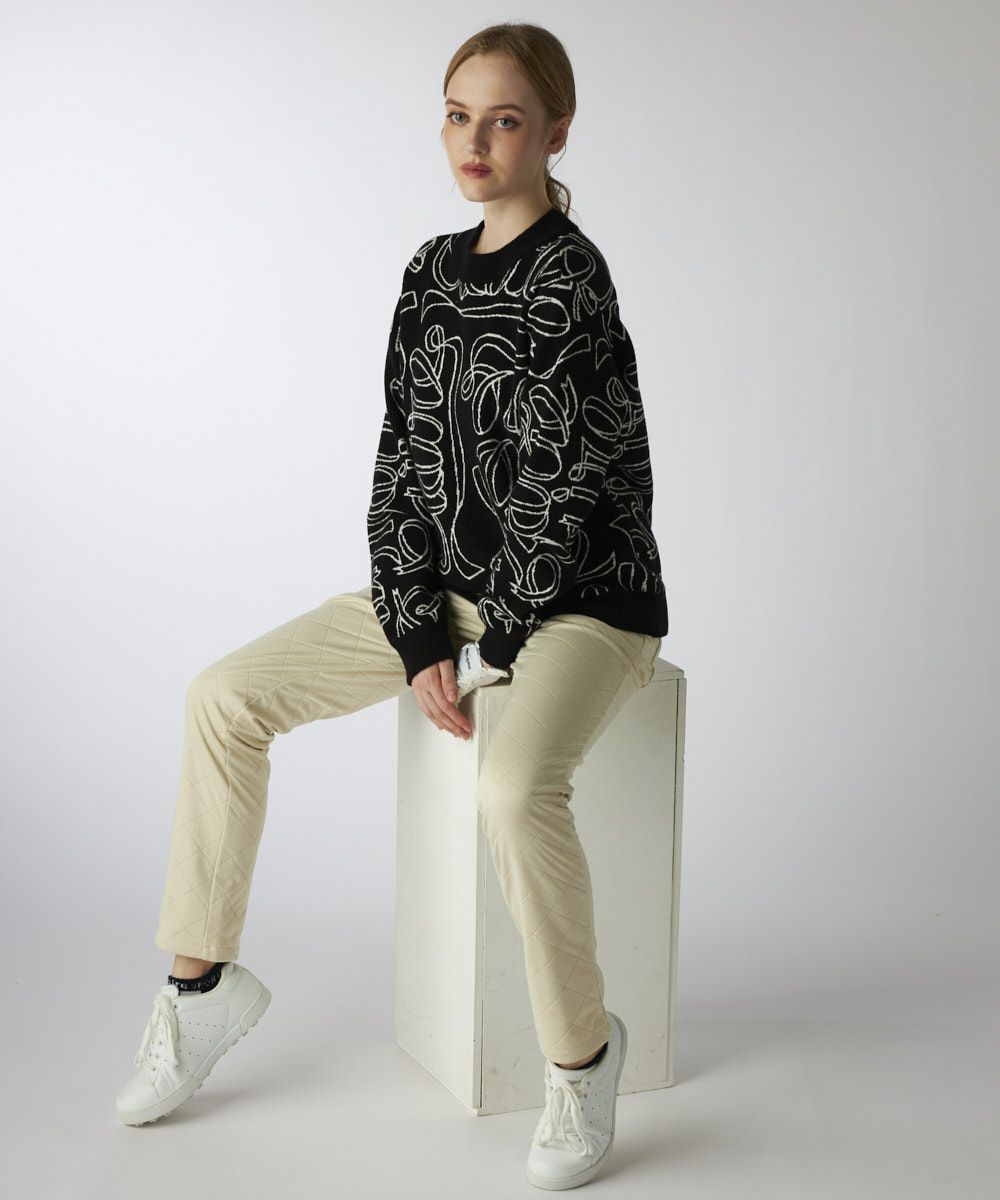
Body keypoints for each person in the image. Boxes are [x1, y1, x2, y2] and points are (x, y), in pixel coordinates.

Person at [115, 20, 669, 1193]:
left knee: (512, 789)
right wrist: (419, 631)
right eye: (459, 116)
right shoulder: (428, 272)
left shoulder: (571, 278)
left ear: (555, 133)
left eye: (505, 119)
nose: (476, 141)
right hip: (450, 596)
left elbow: (562, 487)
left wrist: (494, 644)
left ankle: (581, 1057)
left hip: (584, 605)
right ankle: (200, 986)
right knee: (223, 697)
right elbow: (403, 462)